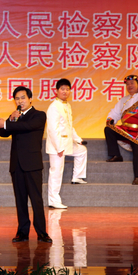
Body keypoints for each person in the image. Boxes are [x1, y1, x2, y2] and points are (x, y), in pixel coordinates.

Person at [0, 86, 52, 243]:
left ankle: (42, 232)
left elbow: (27, 127)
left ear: (30, 99)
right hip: (16, 165)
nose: (20, 101)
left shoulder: (39, 115)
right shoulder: (15, 117)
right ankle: (22, 232)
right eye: (17, 99)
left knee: (36, 199)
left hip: (32, 164)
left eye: (23, 98)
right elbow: (3, 133)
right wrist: (10, 120)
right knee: (20, 200)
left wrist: (6, 123)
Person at [104, 74, 138, 185]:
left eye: (132, 83)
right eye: (127, 84)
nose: (129, 86)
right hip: (124, 129)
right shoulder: (123, 100)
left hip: (137, 132)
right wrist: (111, 120)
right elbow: (114, 113)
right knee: (108, 129)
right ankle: (116, 155)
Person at [45, 78, 88, 209]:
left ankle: (77, 177)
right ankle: (53, 200)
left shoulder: (67, 105)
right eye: (62, 89)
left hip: (67, 143)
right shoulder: (54, 107)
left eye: (67, 89)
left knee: (82, 150)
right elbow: (52, 129)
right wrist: (59, 148)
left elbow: (69, 126)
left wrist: (78, 139)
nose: (65, 91)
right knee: (56, 172)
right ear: (56, 91)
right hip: (57, 146)